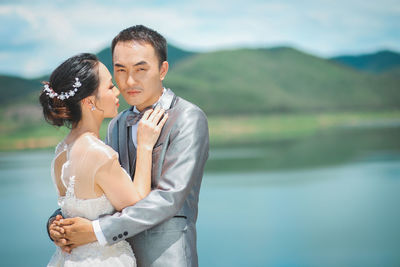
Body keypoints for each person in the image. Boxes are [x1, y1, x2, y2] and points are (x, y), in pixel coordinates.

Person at [48, 25, 209, 267]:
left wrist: (96, 230)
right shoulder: (116, 123)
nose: (129, 81)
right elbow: (100, 189)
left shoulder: (187, 117)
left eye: (140, 69)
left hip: (165, 258)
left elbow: (168, 198)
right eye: (120, 70)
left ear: (162, 69)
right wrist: (56, 224)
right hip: (116, 257)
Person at [41, 53, 168, 266]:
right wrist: (145, 146)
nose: (117, 90)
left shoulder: (61, 151)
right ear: (90, 101)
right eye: (109, 87)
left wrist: (54, 226)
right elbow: (137, 207)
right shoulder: (98, 153)